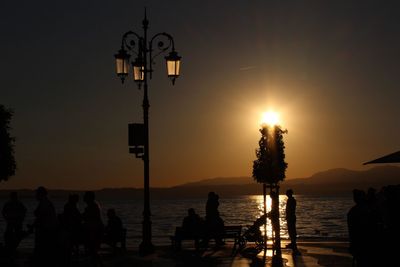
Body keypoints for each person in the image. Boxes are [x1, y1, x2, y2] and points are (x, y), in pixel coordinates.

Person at [32, 186, 58, 267]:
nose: (36, 195)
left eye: (37, 194)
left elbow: (41, 216)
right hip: (46, 228)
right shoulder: (46, 202)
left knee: (42, 247)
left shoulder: (44, 203)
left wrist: (34, 225)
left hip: (46, 229)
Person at [82, 191, 104, 258]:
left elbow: (87, 218)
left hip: (94, 231)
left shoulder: (92, 207)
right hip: (95, 229)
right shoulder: (93, 206)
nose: (83, 197)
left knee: (92, 249)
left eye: (85, 196)